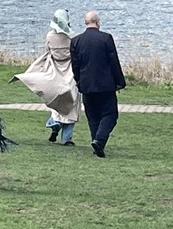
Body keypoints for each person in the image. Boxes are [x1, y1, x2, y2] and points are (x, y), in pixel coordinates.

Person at [14, 9, 80, 145]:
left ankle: (55, 121)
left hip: (55, 69)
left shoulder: (50, 36)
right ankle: (66, 138)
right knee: (72, 101)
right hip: (70, 70)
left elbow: (48, 50)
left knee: (56, 97)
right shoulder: (73, 37)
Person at [70, 10, 126, 158]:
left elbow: (75, 65)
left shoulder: (76, 41)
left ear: (85, 23)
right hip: (105, 85)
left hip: (87, 85)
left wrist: (79, 82)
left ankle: (97, 143)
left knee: (93, 116)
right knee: (110, 114)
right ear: (98, 22)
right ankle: (99, 141)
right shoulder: (106, 38)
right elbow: (113, 62)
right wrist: (120, 82)